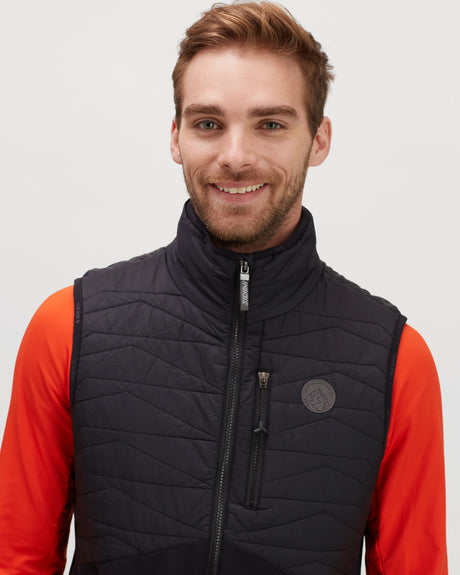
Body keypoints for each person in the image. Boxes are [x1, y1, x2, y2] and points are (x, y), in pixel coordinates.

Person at [0, 2, 447, 574]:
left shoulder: (395, 360)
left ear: (319, 140)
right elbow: (15, 559)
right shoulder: (70, 329)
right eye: (208, 124)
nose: (236, 157)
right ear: (176, 137)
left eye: (271, 124)